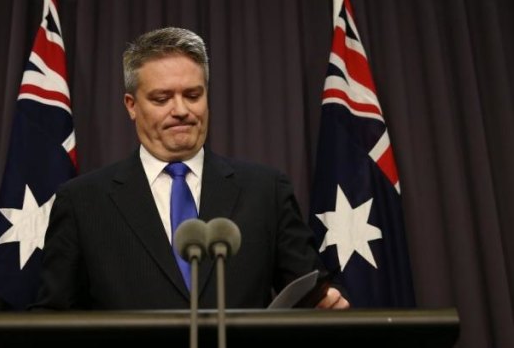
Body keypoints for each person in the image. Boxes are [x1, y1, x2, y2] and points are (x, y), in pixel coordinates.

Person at [32, 27, 349, 310]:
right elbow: (53, 318)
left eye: (193, 95)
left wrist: (326, 303)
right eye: (161, 98)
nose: (181, 110)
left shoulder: (266, 190)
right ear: (131, 105)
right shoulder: (83, 201)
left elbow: (310, 293)